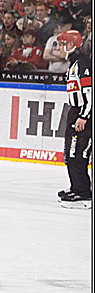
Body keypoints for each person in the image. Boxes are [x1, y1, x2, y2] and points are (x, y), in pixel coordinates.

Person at [56, 29, 92, 209]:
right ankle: (75, 187)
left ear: (72, 45)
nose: (61, 48)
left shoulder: (83, 63)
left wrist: (84, 116)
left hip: (82, 113)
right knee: (69, 154)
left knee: (78, 154)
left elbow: (89, 93)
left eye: (63, 44)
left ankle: (84, 194)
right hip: (75, 111)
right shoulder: (73, 63)